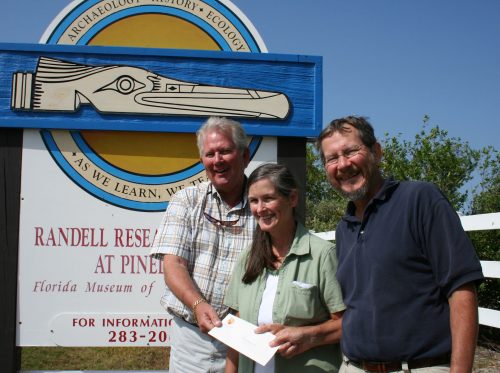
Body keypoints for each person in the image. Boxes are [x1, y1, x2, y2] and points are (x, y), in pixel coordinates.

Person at [316, 115, 485, 373]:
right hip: (354, 367)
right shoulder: (344, 227)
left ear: (376, 152)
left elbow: (462, 289)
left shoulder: (419, 200)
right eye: (332, 158)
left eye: (351, 151)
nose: (343, 164)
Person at [150, 116, 256, 373]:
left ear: (245, 155)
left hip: (247, 341)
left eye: (225, 151)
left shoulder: (263, 203)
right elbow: (173, 264)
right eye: (210, 154)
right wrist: (198, 305)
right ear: (202, 162)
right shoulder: (186, 200)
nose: (217, 160)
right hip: (192, 341)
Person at [224, 163, 345, 373]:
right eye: (254, 201)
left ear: (292, 199)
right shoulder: (247, 258)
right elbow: (235, 336)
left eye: (268, 198)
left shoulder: (322, 255)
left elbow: (347, 324)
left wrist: (308, 336)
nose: (260, 209)